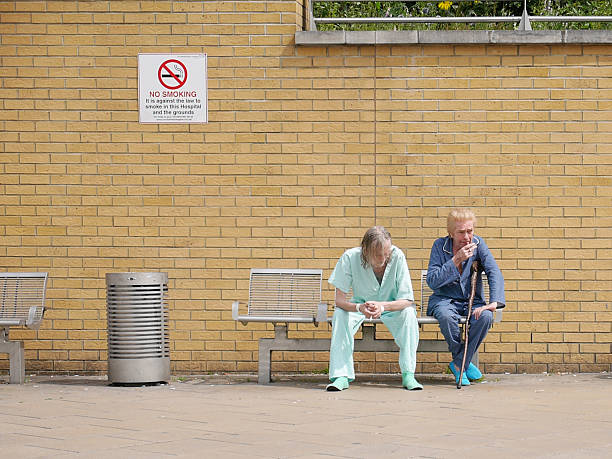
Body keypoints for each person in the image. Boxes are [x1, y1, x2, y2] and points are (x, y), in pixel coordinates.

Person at [326, 226, 422, 391]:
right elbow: (339, 301)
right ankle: (341, 376)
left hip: (391, 307)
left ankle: (408, 374)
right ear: (365, 250)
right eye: (378, 255)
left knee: (408, 313)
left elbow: (407, 300)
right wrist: (359, 307)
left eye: (387, 253)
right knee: (340, 314)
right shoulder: (350, 257)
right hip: (359, 306)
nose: (384, 258)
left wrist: (383, 306)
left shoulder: (397, 255)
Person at [426, 208, 505, 386]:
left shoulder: (478, 244)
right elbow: (432, 281)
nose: (467, 237)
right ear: (451, 233)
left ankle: (458, 363)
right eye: (461, 232)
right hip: (444, 300)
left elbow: (493, 271)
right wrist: (456, 260)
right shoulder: (439, 246)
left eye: (470, 231)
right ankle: (464, 363)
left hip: (472, 301)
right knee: (446, 317)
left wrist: (494, 302)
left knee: (485, 316)